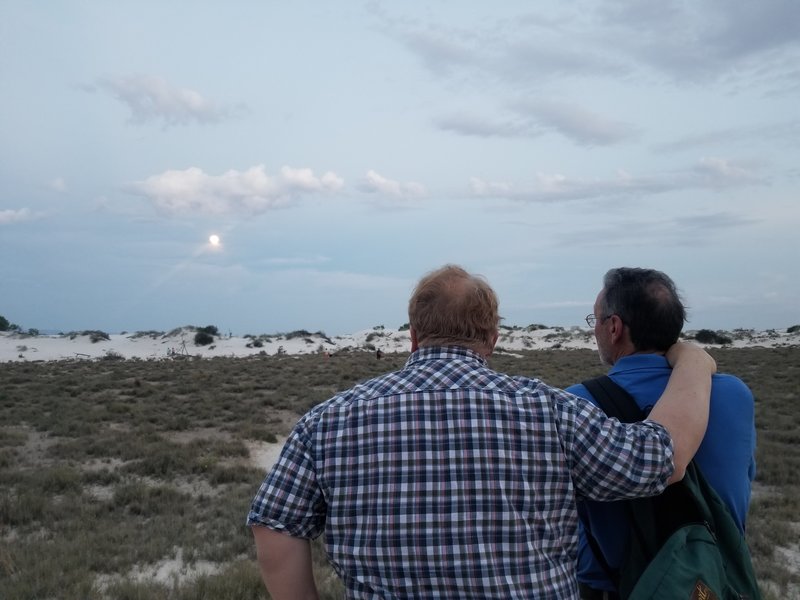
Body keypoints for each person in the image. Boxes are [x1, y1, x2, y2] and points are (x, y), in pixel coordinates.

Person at [247, 264, 716, 599]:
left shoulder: (329, 420)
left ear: (414, 335)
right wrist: (693, 361)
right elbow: (660, 458)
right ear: (492, 338)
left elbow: (275, 524)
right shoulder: (550, 410)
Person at [567, 267, 757, 600]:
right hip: (717, 580)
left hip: (618, 587)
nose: (594, 330)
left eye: (594, 320)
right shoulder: (735, 396)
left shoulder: (576, 404)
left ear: (614, 328)